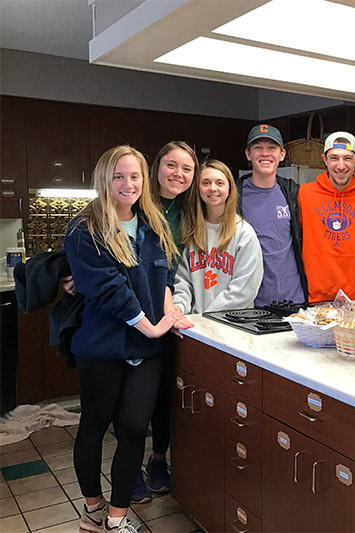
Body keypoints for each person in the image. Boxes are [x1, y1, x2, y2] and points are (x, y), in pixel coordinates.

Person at [64, 146, 193, 533]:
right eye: (119, 176)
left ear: (144, 180)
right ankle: (92, 509)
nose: (127, 184)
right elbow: (109, 289)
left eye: (134, 176)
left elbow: (164, 277)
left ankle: (117, 518)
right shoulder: (85, 229)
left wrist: (169, 314)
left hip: (146, 350)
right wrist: (151, 326)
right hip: (103, 347)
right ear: (105, 179)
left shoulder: (154, 225)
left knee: (136, 428)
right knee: (95, 424)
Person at [128, 141, 199, 503]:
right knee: (133, 399)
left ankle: (158, 461)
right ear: (156, 168)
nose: (178, 174)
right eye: (171, 166)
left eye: (187, 169)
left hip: (170, 310)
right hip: (133, 310)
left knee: (164, 398)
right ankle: (129, 469)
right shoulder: (138, 203)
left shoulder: (190, 210)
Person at [173, 160, 264, 313]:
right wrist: (178, 309)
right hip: (194, 327)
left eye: (220, 183)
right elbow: (183, 282)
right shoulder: (192, 230)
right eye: (206, 183)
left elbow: (243, 291)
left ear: (229, 188)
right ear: (198, 189)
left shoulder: (244, 233)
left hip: (231, 326)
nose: (213, 188)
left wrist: (206, 317)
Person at [298, 132, 355, 302]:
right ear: (324, 160)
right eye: (334, 158)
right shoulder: (304, 193)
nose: (341, 166)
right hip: (314, 295)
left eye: (348, 158)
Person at [236, 124, 307, 307]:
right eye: (258, 147)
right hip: (251, 301)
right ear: (248, 154)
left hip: (293, 299)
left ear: (282, 155)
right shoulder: (233, 195)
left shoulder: (293, 193)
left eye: (272, 148)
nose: (265, 153)